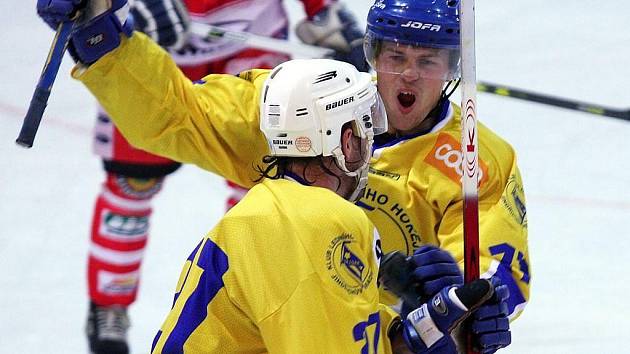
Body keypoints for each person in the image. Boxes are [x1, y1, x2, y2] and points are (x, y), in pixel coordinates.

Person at [37, 0, 520, 352]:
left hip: (367, 330)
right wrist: (108, 45)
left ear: (452, 67)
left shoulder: (478, 159)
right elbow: (185, 114)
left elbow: (499, 271)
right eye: (396, 57)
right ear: (373, 56)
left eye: (427, 61)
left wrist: (475, 297)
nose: (409, 75)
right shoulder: (303, 103)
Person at [53, 0, 369, 352]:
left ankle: (252, 296)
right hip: (149, 37)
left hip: (252, 35)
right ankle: (109, 301)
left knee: (267, 183)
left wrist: (321, 10)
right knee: (132, 183)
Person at [148, 57, 498, 354]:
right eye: (366, 129)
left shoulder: (275, 208)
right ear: (346, 141)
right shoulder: (320, 221)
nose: (369, 146)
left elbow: (332, 330)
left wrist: (410, 334)